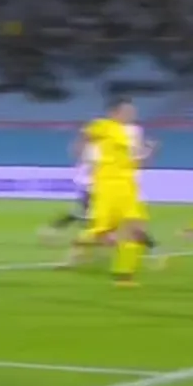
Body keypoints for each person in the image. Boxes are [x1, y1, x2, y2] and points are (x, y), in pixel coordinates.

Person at [68, 98, 160, 284]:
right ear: (114, 113)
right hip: (107, 186)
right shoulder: (103, 126)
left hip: (129, 186)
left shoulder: (133, 133)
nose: (131, 114)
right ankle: (81, 245)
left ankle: (124, 276)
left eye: (132, 111)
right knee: (102, 231)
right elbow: (83, 140)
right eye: (126, 111)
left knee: (136, 228)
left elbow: (139, 162)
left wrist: (150, 151)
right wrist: (82, 159)